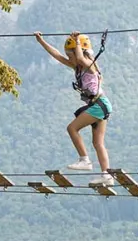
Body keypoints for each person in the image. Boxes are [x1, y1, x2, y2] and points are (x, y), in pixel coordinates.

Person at [34, 30, 114, 186]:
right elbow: (57, 55)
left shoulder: (90, 66)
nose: (70, 58)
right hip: (100, 105)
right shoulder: (77, 67)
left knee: (72, 128)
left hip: (99, 105)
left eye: (70, 55)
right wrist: (41, 41)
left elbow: (79, 57)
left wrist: (76, 41)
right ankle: (107, 175)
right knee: (98, 143)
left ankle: (85, 160)